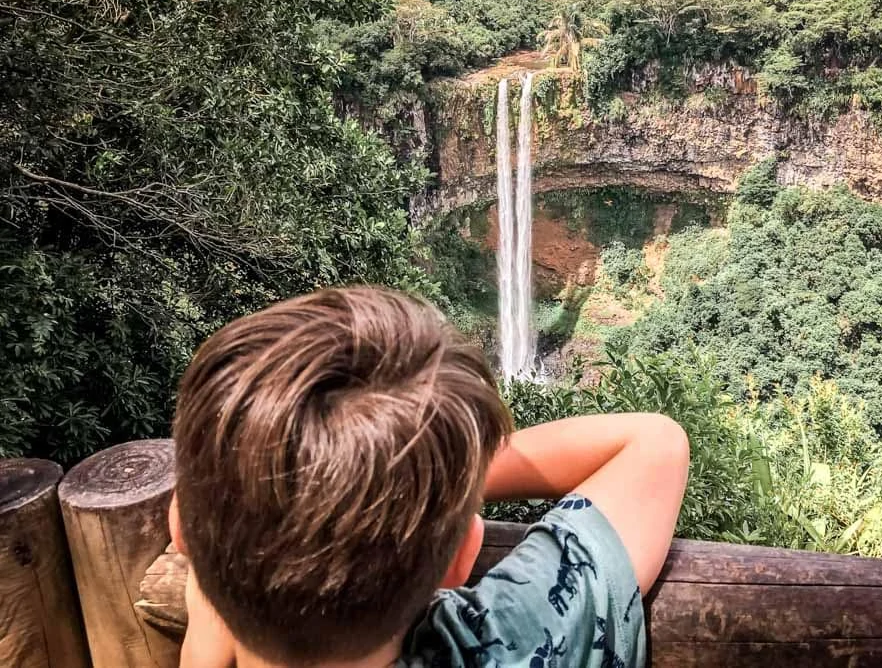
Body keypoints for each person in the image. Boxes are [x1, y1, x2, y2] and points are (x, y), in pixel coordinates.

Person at [170, 286, 690, 668]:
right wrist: (433, 476)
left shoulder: (208, 645)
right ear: (462, 555)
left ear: (184, 530)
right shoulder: (512, 642)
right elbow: (655, 445)